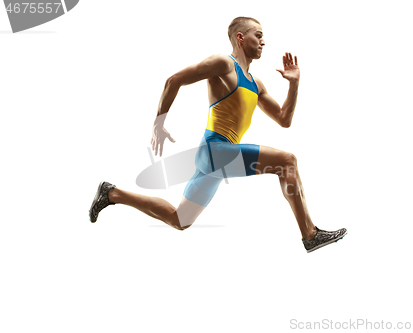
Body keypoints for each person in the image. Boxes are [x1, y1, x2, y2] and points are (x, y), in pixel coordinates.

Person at [89, 17, 347, 252]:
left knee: (180, 220)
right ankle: (310, 235)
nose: (263, 41)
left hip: (215, 159)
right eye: (258, 35)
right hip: (215, 151)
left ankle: (111, 193)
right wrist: (159, 123)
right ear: (240, 37)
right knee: (286, 161)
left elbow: (284, 120)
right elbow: (173, 80)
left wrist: (294, 84)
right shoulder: (224, 63)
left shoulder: (256, 84)